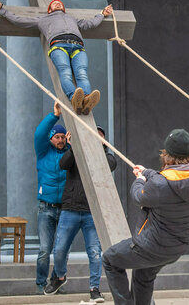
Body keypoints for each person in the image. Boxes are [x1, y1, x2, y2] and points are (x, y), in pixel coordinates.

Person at [102, 129, 189, 305]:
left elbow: (138, 196)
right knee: (143, 274)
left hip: (151, 247)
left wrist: (140, 180)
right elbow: (168, 179)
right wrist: (147, 172)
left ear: (167, 155)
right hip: (176, 247)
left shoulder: (159, 184)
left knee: (110, 260)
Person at [0, 0, 113, 115]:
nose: (57, 4)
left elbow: (90, 23)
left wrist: (102, 14)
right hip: (58, 45)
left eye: (59, 3)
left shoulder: (72, 19)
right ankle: (74, 99)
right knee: (65, 72)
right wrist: (2, 10)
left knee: (81, 72)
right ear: (49, 9)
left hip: (77, 47)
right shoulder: (43, 19)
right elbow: (20, 20)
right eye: (54, 4)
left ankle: (86, 100)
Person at [44, 126, 117, 302]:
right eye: (93, 133)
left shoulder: (106, 157)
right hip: (70, 209)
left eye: (100, 135)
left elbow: (110, 165)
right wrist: (74, 146)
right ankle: (60, 277)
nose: (95, 136)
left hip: (92, 212)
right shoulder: (75, 153)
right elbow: (63, 164)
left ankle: (94, 289)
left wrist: (98, 146)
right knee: (59, 250)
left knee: (94, 252)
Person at [34, 102, 70, 292]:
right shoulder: (43, 152)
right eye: (57, 137)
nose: (61, 140)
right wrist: (54, 116)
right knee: (44, 250)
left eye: (63, 137)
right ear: (50, 138)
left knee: (61, 250)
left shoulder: (69, 153)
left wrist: (72, 147)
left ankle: (57, 281)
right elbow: (39, 133)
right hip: (46, 208)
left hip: (65, 208)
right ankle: (41, 284)